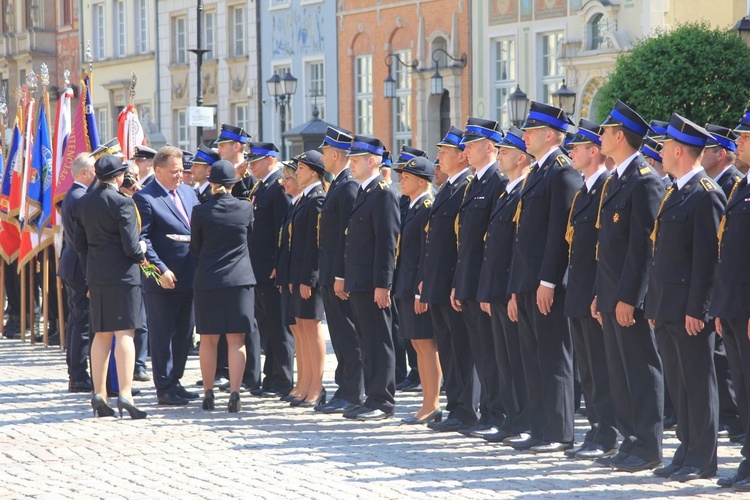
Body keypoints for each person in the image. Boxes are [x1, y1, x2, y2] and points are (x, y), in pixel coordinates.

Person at [645, 114, 724, 482]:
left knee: (697, 381)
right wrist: (655, 304)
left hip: (690, 310)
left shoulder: (705, 194)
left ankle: (702, 456)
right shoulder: (676, 191)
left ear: (679, 150)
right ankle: (685, 448)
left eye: (664, 147)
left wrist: (699, 309)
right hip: (667, 307)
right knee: (679, 382)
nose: (659, 153)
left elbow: (708, 260)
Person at [593, 100, 666, 472]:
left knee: (640, 368)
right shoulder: (616, 179)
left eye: (605, 131)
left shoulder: (645, 180)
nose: (600, 136)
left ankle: (649, 444)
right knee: (619, 371)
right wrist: (601, 294)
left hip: (629, 299)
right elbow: (607, 245)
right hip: (609, 293)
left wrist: (628, 298)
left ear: (620, 136)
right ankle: (630, 439)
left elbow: (643, 248)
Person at [507, 102, 582, 454]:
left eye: (530, 131)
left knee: (553, 356)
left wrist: (549, 281)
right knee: (533, 357)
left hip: (546, 282)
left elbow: (559, 233)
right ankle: (540, 428)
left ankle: (559, 431)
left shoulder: (562, 171)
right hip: (527, 280)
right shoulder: (539, 170)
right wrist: (518, 285)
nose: (524, 136)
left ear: (549, 134)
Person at [73, 155, 147, 419]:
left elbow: (80, 245)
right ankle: (125, 394)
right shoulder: (123, 203)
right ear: (118, 177)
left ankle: (99, 392)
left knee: (101, 334)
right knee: (125, 334)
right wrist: (143, 250)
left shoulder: (84, 203)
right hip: (123, 276)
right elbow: (131, 246)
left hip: (96, 275)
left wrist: (89, 276)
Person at [563, 120, 617, 459]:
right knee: (587, 367)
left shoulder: (605, 188)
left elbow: (604, 248)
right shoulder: (585, 189)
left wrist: (599, 292)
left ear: (593, 151)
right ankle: (595, 429)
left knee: (600, 366)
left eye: (577, 148)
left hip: (593, 290)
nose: (571, 152)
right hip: (577, 290)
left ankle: (607, 433)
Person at [336, 135, 400, 421]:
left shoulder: (383, 193)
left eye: (356, 159)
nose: (350, 163)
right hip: (359, 280)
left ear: (372, 161)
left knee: (379, 341)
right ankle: (372, 397)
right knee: (366, 339)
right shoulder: (364, 191)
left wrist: (383, 284)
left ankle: (382, 400)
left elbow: (388, 242)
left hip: (373, 282)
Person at [452, 118, 508, 439]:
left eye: (471, 145)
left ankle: (495, 411)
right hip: (470, 280)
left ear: (489, 147)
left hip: (485, 282)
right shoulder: (474, 183)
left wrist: (484, 285)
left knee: (491, 351)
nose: (466, 151)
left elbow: (492, 242)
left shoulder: (497, 182)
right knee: (481, 351)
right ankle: (486, 410)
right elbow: (465, 241)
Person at [420, 126, 478, 433]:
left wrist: (457, 281)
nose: (438, 157)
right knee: (448, 345)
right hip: (439, 282)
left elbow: (462, 243)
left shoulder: (465, 186)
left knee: (461, 348)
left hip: (453, 281)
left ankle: (466, 408)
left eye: (444, 152)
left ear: (461, 156)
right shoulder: (449, 188)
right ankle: (455, 405)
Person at [477, 127, 531, 443]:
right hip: (495, 289)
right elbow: (491, 247)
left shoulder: (523, 190)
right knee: (503, 359)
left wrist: (511, 293)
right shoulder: (506, 191)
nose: (500, 156)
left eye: (505, 152)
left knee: (517, 360)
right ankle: (512, 420)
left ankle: (522, 420)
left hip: (510, 289)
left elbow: (517, 248)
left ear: (521, 157)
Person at [134, 146, 200, 406]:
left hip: (190, 273)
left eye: (181, 170)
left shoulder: (188, 192)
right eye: (173, 171)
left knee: (184, 334)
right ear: (158, 170)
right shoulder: (146, 198)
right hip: (163, 278)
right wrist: (159, 270)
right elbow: (142, 241)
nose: (179, 176)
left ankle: (176, 380)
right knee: (162, 335)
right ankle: (163, 387)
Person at [190, 160, 255, 413]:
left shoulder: (201, 211)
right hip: (239, 279)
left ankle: (208, 393)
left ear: (211, 181)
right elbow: (250, 237)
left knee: (208, 340)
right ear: (234, 183)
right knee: (236, 340)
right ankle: (235, 393)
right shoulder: (245, 207)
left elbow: (195, 247)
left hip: (208, 279)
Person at [712, 105, 750, 491]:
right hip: (734, 306)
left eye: (744, 137)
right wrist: (721, 307)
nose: (737, 142)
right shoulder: (742, 186)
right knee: (743, 386)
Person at [315, 127, 365, 414]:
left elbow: (348, 236)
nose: (322, 156)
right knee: (339, 334)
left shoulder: (347, 187)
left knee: (348, 335)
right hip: (329, 269)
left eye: (324, 152)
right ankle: (343, 387)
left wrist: (341, 275)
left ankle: (352, 390)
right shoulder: (339, 183)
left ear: (335, 154)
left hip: (338, 273)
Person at [393, 157, 440, 425]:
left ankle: (431, 403)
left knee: (426, 345)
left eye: (407, 176)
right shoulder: (411, 205)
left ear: (421, 181)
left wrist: (423, 289)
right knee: (417, 344)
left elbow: (428, 251)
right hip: (406, 284)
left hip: (417, 286)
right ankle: (426, 402)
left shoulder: (427, 206)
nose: (402, 180)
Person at [245, 142, 293, 398]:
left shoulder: (278, 187)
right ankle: (270, 376)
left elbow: (283, 230)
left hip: (270, 268)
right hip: (258, 267)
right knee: (266, 325)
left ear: (270, 160)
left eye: (256, 160)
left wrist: (278, 263)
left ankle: (283, 379)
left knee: (278, 325)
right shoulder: (260, 186)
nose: (251, 165)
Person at [288, 150, 328, 408]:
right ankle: (303, 381)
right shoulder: (304, 199)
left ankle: (316, 386)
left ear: (313, 172)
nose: (297, 173)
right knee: (301, 328)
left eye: (301, 169)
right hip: (298, 273)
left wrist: (308, 278)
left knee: (312, 329)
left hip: (309, 277)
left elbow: (316, 244)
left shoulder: (317, 199)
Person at [58, 153, 96, 393]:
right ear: (84, 172)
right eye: (94, 170)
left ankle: (76, 371)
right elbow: (82, 241)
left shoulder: (74, 195)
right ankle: (79, 375)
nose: (97, 174)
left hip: (73, 264)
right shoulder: (79, 197)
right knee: (82, 321)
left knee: (77, 320)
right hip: (79, 266)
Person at [274, 161, 304, 404]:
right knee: (295, 328)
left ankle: (311, 385)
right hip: (289, 275)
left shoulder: (309, 201)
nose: (284, 183)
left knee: (305, 331)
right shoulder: (294, 203)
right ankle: (303, 382)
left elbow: (308, 246)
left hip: (301, 277)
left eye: (288, 178)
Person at [215, 124, 256, 199]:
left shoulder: (251, 174)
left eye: (222, 146)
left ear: (236, 146)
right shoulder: (222, 173)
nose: (219, 151)